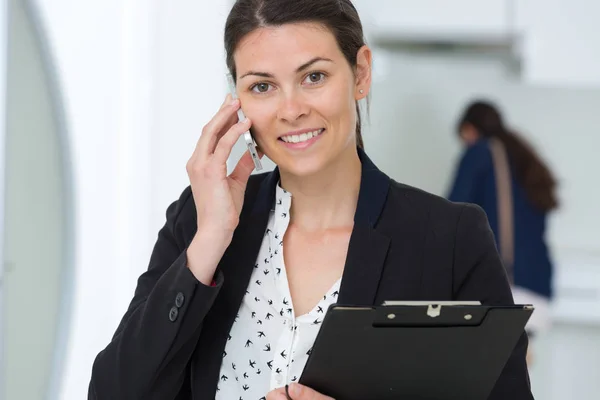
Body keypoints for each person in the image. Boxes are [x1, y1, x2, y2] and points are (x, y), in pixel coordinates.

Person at [88, 1, 533, 399]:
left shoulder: (449, 240)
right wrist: (210, 240)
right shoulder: (202, 219)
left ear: (360, 73)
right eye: (262, 86)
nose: (291, 109)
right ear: (238, 98)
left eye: (314, 77)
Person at [448, 100, 559, 357]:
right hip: (537, 293)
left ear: (469, 130)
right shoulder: (524, 159)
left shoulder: (480, 152)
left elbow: (452, 212)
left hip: (503, 292)